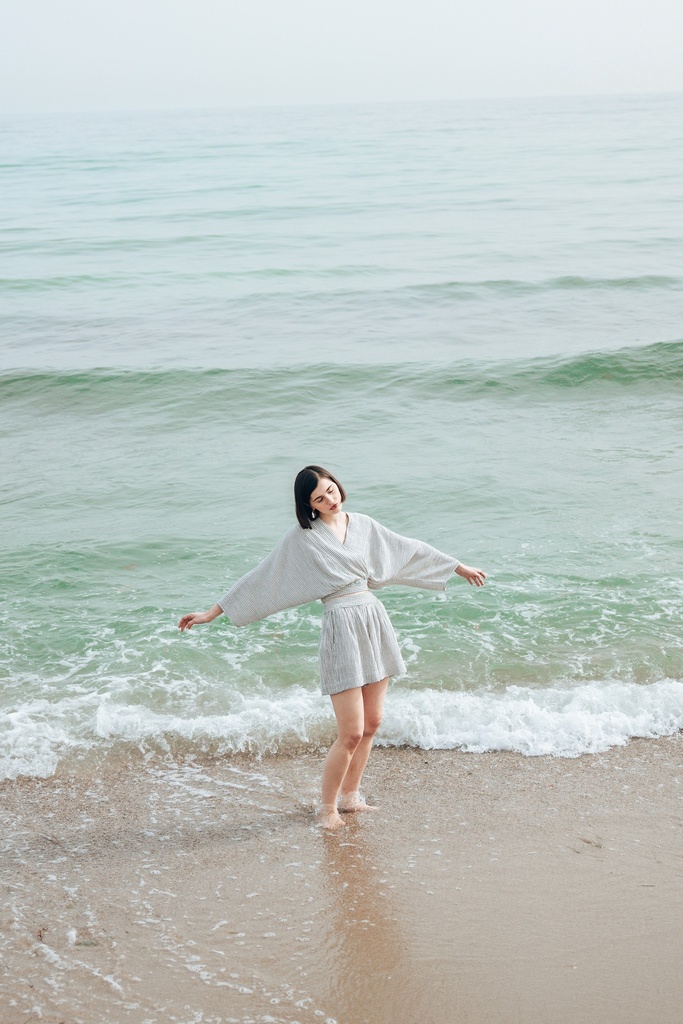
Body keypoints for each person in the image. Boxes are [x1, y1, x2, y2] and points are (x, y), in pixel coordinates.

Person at [178, 466, 486, 829]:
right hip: (340, 625)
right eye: (318, 498)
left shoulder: (364, 525)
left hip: (373, 620)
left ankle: (351, 797)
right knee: (351, 731)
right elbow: (263, 577)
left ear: (338, 485)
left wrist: (457, 567)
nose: (329, 499)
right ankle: (326, 808)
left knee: (372, 723)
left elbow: (408, 550)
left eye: (330, 490)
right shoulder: (303, 538)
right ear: (308, 505)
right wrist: (212, 613)